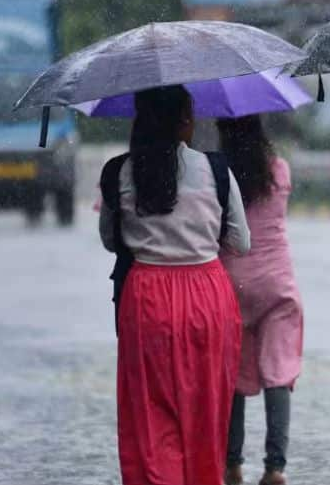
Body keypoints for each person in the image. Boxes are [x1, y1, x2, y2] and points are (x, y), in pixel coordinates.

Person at [98, 84, 250, 485]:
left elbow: (111, 241)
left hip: (146, 299)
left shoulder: (119, 171)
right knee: (205, 413)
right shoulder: (216, 170)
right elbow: (240, 241)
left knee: (151, 418)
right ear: (184, 121)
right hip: (207, 298)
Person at [217, 115, 304, 485]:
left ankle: (232, 463)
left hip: (231, 281)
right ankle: (275, 467)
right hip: (276, 283)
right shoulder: (279, 169)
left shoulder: (220, 173)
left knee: (232, 374)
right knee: (279, 372)